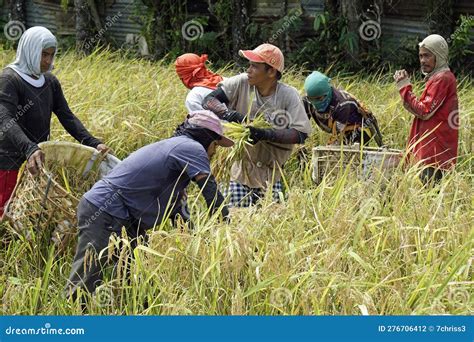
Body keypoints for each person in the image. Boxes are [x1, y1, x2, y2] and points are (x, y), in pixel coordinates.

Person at [66, 110, 233, 296]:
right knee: (87, 276)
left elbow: (178, 210)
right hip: (105, 210)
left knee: (136, 276)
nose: (214, 152)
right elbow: (210, 191)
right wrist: (227, 231)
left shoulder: (175, 152)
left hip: (125, 218)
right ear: (206, 137)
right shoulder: (192, 148)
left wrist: (198, 239)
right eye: (216, 144)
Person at [0, 26, 108, 217]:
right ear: (30, 51)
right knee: (6, 216)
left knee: (28, 216)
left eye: (52, 55)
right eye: (44, 55)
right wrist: (29, 148)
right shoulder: (10, 79)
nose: (48, 61)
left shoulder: (49, 81)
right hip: (10, 162)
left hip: (36, 161)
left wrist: (93, 142)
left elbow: (66, 116)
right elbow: (5, 119)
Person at [202, 43, 312, 207]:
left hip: (271, 173)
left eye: (255, 66)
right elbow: (209, 100)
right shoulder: (242, 83)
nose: (249, 70)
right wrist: (231, 115)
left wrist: (265, 134)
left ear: (271, 72)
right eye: (249, 65)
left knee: (270, 221)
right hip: (240, 172)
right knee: (232, 221)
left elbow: (301, 134)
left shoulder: (289, 95)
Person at [393, 34, 458, 183]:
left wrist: (404, 88)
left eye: (427, 56)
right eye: (421, 56)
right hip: (431, 148)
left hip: (434, 152)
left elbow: (424, 111)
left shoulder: (442, 78)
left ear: (439, 56)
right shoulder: (437, 77)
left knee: (428, 192)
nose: (423, 60)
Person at [302, 71, 383, 146]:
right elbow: (301, 125)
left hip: (360, 129)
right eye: (311, 99)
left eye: (319, 99)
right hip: (340, 129)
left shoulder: (342, 105)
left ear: (327, 93)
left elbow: (337, 135)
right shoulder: (307, 101)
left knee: (347, 154)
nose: (315, 103)